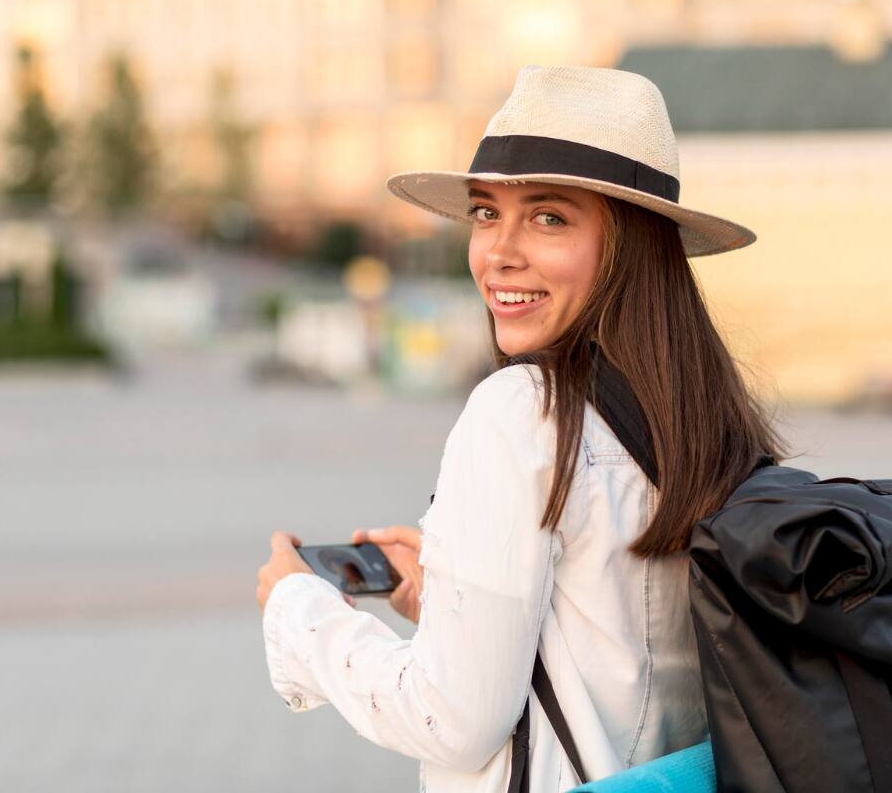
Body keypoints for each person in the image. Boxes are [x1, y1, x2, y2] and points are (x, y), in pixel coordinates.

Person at [255, 65, 788, 793]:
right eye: (484, 212)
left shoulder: (524, 412)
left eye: (548, 217)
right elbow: (625, 649)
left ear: (629, 245)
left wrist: (301, 611)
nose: (499, 251)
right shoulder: (704, 420)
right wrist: (448, 600)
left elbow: (452, 719)